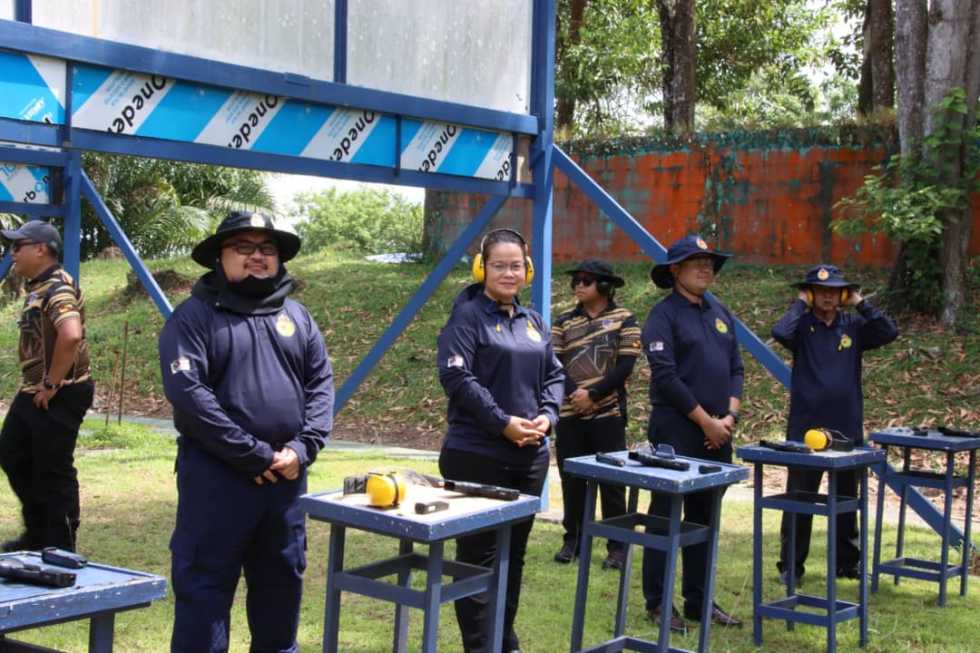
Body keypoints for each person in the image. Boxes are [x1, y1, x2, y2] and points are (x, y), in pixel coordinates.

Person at [159, 210, 334, 653]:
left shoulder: (298, 316)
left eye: (267, 249)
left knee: (280, 591)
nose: (257, 257)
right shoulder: (194, 318)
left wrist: (302, 448)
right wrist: (250, 454)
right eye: (244, 248)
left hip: (286, 483)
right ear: (220, 257)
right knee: (205, 594)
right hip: (218, 482)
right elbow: (189, 396)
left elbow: (320, 386)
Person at [436, 227, 564, 653]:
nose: (508, 273)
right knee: (478, 558)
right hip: (477, 455)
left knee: (513, 557)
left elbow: (556, 375)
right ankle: (482, 646)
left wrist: (547, 417)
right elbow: (457, 377)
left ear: (527, 269)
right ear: (481, 268)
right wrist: (501, 422)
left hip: (528, 458)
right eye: (499, 265)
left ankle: (502, 641)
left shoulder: (534, 323)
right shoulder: (467, 316)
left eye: (516, 265)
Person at [640, 234, 744, 632]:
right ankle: (658, 603)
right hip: (677, 430)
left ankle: (700, 602)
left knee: (704, 519)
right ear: (675, 270)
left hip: (719, 433)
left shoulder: (720, 311)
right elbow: (666, 378)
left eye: (710, 262)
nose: (705, 267)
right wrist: (706, 422)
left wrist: (728, 420)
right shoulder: (663, 316)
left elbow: (736, 368)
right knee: (665, 516)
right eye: (695, 261)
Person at [773, 264, 897, 584]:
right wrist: (800, 304)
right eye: (821, 290)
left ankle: (847, 562)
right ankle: (791, 565)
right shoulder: (801, 326)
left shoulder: (853, 325)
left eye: (835, 290)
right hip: (806, 427)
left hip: (846, 427)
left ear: (843, 294)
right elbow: (779, 332)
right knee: (800, 498)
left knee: (845, 499)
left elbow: (889, 332)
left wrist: (861, 302)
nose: (828, 297)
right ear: (811, 293)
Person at [0, 220, 94, 552]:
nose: (12, 253)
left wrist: (52, 383)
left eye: (17, 246)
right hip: (35, 391)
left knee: (54, 468)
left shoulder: (58, 287)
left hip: (62, 391)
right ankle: (39, 533)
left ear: (41, 248)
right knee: (13, 453)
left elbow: (70, 334)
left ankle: (61, 545)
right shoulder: (39, 286)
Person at [551, 259, 640, 570]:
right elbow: (554, 363)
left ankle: (617, 546)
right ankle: (572, 539)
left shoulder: (625, 319)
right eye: (575, 280)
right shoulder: (562, 321)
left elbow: (626, 365)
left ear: (604, 285)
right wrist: (577, 395)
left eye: (586, 280)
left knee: (612, 483)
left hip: (608, 413)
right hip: (569, 413)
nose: (578, 285)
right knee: (571, 479)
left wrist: (593, 394)